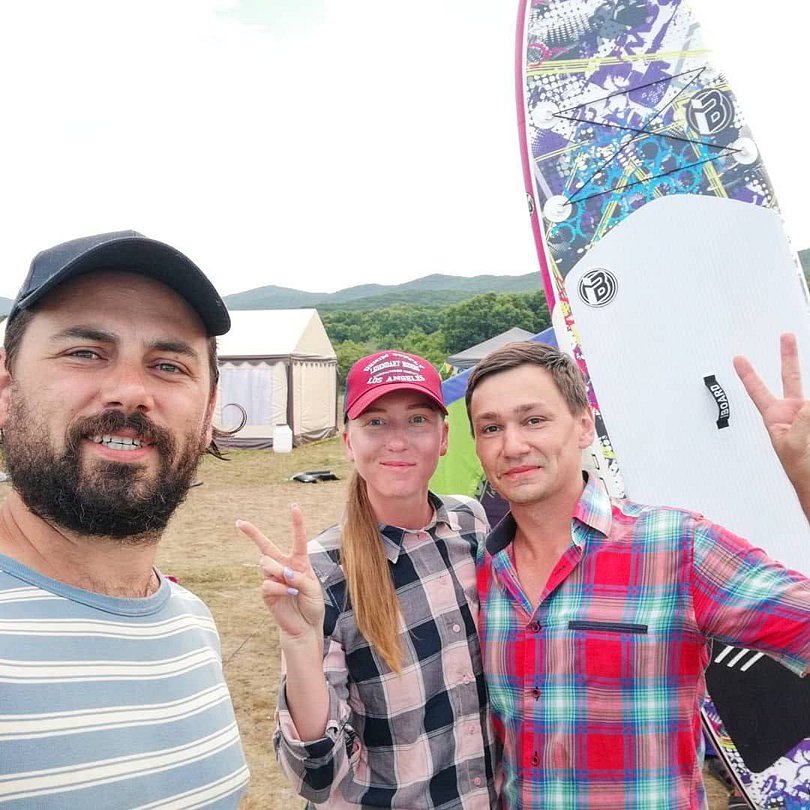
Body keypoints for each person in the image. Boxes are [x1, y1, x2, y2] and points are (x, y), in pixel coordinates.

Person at [464, 339, 810, 810]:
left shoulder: (676, 546)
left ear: (584, 425)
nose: (512, 445)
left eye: (534, 420)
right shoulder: (480, 571)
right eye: (491, 428)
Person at [0, 231, 249, 807]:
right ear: (6, 390)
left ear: (209, 412)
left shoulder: (191, 625)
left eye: (168, 365)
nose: (131, 392)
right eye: (85, 353)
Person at [239, 350, 498, 808]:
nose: (397, 441)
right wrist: (299, 642)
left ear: (443, 437)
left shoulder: (471, 524)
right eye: (375, 422)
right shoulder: (321, 571)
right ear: (348, 442)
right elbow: (316, 778)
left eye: (417, 420)